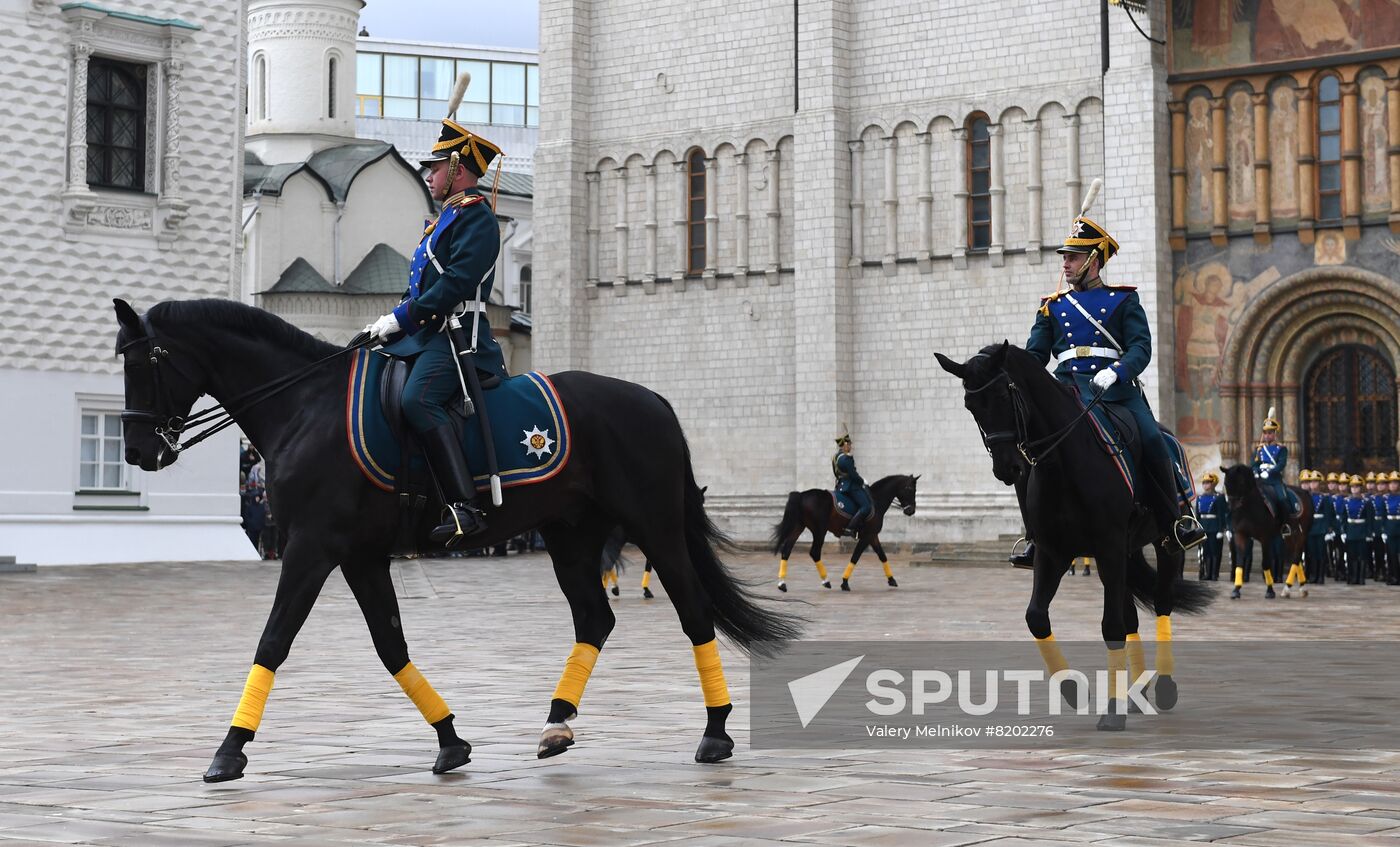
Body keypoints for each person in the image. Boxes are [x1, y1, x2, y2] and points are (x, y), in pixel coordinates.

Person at [1013, 214, 1205, 568]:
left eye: (1072, 257)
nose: (1065, 264)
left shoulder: (1123, 301)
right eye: (1065, 258)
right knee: (1028, 451)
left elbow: (1140, 348)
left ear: (1093, 261)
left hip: (1115, 391)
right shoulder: (1051, 306)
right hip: (1068, 388)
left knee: (1153, 439)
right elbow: (1036, 356)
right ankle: (1033, 536)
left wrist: (1116, 372)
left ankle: (1176, 521)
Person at [364, 74, 506, 547]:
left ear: (458, 169)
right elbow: (419, 287)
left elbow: (456, 284)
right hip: (430, 332)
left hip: (459, 336)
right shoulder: (445, 218)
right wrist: (389, 322)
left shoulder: (477, 217)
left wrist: (403, 320)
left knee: (416, 400)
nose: (428, 176)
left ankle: (465, 506)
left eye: (434, 168)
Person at [1251, 409, 1298, 531]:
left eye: (1270, 433)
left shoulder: (1281, 449)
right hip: (1261, 479)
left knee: (1283, 499)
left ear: (1275, 434)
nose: (1267, 436)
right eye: (1265, 433)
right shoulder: (1259, 449)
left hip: (1274, 480)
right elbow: (1254, 464)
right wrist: (1256, 472)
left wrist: (1270, 472)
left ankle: (1286, 524)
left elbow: (1281, 464)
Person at [832, 433, 872, 537]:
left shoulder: (836, 457)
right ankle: (850, 528)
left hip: (840, 485)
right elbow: (853, 475)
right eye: (849, 445)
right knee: (866, 507)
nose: (851, 447)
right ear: (845, 445)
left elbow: (836, 473)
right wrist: (862, 481)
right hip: (849, 486)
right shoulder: (846, 459)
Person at [1340, 475, 1375, 585]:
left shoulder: (1366, 502)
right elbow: (1344, 518)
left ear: (1361, 488)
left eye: (1357, 487)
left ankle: (1361, 578)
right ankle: (1352, 577)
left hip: (1362, 530)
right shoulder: (1346, 501)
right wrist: (1343, 531)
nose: (1354, 489)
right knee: (1351, 555)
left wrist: (1369, 533)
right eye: (1353, 487)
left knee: (1362, 555)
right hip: (1350, 530)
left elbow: (1370, 519)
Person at [1302, 470, 1334, 585]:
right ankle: (1313, 575)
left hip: (1320, 528)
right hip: (1310, 527)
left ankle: (1320, 576)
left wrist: (1328, 529)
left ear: (1319, 484)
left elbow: (1328, 515)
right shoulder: (1306, 497)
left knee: (1321, 553)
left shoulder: (1324, 498)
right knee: (1311, 553)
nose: (1313, 484)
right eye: (1311, 482)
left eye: (1315, 482)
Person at [1196, 471, 1229, 581]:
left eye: (1208, 482)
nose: (1205, 485)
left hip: (1215, 527)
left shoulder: (1219, 497)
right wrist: (1197, 528)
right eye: (1204, 483)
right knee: (1206, 552)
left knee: (1215, 551)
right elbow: (1197, 515)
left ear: (1213, 483)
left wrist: (1221, 529)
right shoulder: (1200, 498)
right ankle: (1207, 573)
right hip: (1204, 527)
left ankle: (1214, 574)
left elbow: (1222, 514)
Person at [1385, 471, 1400, 585]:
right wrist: (1384, 530)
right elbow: (1384, 515)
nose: (1393, 485)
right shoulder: (1386, 498)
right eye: (1391, 483)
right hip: (1390, 527)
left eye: (1395, 483)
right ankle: (1392, 576)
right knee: (1391, 553)